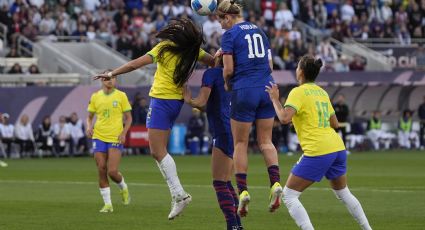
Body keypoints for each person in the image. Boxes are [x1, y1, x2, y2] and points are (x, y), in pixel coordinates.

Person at [93, 18, 215, 219]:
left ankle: (179, 194)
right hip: (175, 102)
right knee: (159, 152)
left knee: (157, 151)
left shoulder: (164, 47)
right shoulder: (193, 51)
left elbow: (134, 64)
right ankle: (177, 195)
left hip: (161, 100)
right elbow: (214, 62)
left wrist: (112, 72)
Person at [266, 55, 372, 230]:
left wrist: (274, 99)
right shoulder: (322, 92)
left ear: (300, 71)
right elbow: (335, 124)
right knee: (344, 193)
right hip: (337, 147)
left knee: (289, 196)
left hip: (318, 150)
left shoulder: (297, 92)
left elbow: (284, 118)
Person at [216, 0, 282, 217]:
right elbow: (270, 65)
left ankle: (243, 191)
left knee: (241, 143)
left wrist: (227, 84)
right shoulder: (260, 31)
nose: (221, 25)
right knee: (266, 141)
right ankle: (275, 184)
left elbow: (228, 70)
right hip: (266, 87)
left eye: (220, 20)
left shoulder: (230, 35)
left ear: (228, 17)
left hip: (244, 89)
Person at [183, 63, 243, 230]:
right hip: (235, 130)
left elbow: (201, 101)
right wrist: (196, 104)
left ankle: (232, 226)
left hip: (222, 131)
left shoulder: (212, 73)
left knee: (219, 183)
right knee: (226, 181)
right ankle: (238, 225)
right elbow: (209, 105)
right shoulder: (238, 74)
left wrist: (189, 100)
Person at [86, 75, 132, 213]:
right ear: (102, 80)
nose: (110, 80)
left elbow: (129, 118)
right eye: (106, 78)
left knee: (112, 171)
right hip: (99, 136)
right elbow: (89, 117)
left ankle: (123, 187)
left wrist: (123, 133)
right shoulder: (95, 96)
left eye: (112, 78)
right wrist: (89, 126)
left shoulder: (121, 96)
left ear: (115, 80)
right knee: (101, 169)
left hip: (115, 137)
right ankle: (108, 205)